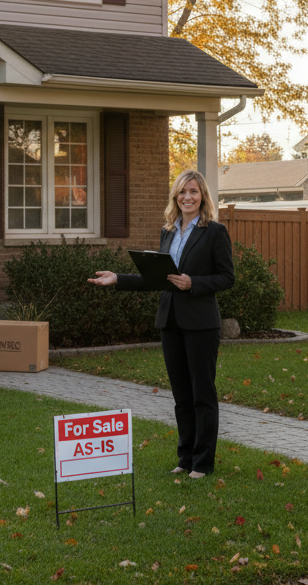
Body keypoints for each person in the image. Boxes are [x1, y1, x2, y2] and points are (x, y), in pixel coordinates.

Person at [88, 169, 234, 478]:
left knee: (202, 394)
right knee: (181, 395)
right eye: (182, 192)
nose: (187, 197)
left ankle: (203, 462)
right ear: (175, 197)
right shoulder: (168, 232)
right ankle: (185, 458)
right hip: (170, 321)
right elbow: (157, 279)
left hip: (201, 323)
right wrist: (118, 279)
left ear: (203, 196)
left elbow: (226, 277)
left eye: (193, 191)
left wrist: (192, 282)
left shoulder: (215, 231)